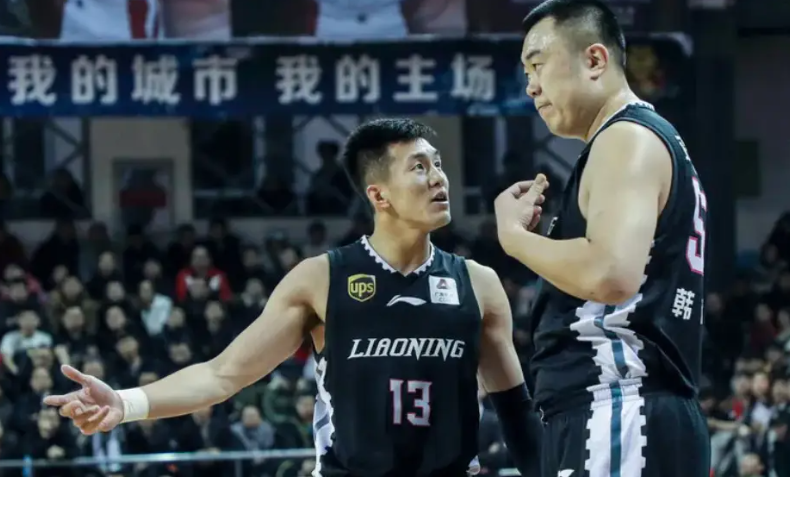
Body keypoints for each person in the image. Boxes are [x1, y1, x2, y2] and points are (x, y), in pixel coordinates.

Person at [45, 118, 542, 477]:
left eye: (437, 164)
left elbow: (515, 411)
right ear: (378, 195)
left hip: (452, 505)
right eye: (418, 167)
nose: (438, 178)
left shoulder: (478, 283)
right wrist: (126, 402)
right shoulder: (322, 278)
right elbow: (223, 375)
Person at [493, 0, 710, 477]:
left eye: (538, 64)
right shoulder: (639, 139)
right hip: (629, 410)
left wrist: (513, 237)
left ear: (594, 59)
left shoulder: (625, 137)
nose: (530, 86)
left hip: (617, 407)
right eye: (526, 72)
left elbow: (611, 273)